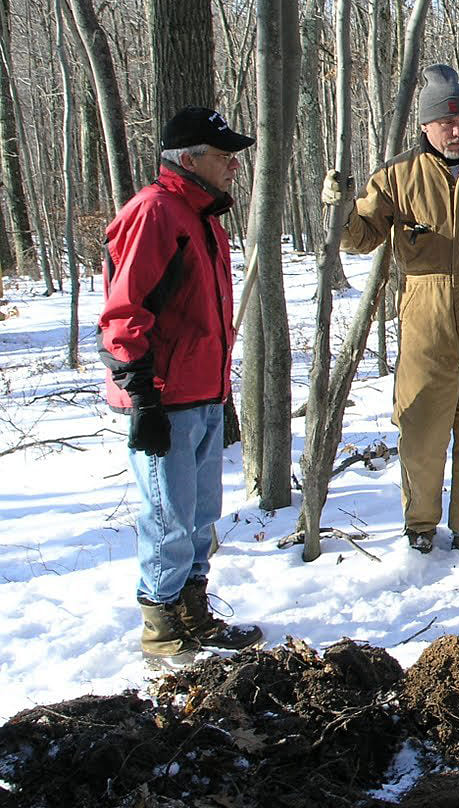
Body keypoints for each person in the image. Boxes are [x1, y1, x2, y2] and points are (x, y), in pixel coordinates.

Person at [323, 64, 459, 554]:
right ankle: (420, 526)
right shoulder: (397, 175)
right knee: (421, 425)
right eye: (445, 122)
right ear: (424, 126)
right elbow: (362, 238)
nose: (456, 130)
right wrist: (339, 212)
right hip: (425, 316)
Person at [99, 106, 264, 665]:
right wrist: (142, 395)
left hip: (204, 394)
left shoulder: (203, 218)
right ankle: (162, 625)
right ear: (190, 159)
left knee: (199, 516)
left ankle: (193, 610)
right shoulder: (154, 213)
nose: (234, 168)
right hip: (165, 399)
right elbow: (124, 312)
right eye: (224, 157)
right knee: (168, 517)